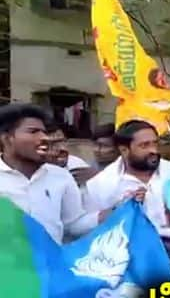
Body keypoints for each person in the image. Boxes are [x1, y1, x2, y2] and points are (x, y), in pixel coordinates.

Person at [0, 104, 109, 243]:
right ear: (6, 138)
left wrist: (108, 214)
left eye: (44, 132)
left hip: (49, 262)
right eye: (33, 132)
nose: (44, 138)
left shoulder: (60, 176)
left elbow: (73, 224)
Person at [85, 119, 170, 228]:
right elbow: (89, 228)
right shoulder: (100, 184)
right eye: (144, 145)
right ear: (124, 150)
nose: (154, 150)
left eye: (155, 143)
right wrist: (119, 209)